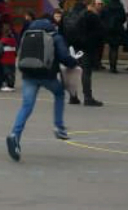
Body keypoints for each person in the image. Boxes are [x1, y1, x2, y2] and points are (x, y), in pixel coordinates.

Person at [5, 13, 79, 162]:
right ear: (52, 23)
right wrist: (74, 63)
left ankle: (14, 135)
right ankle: (59, 127)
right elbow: (64, 56)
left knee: (26, 106)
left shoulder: (28, 33)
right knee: (59, 94)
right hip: (47, 75)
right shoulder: (55, 36)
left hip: (28, 74)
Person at [74, 0, 105, 107]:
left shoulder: (79, 16)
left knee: (79, 70)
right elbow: (100, 32)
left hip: (78, 47)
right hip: (89, 47)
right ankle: (88, 97)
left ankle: (73, 96)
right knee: (86, 72)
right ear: (91, 5)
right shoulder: (92, 17)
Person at [103, 0, 127, 73]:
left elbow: (103, 17)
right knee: (115, 48)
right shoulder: (120, 7)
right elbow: (124, 18)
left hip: (109, 30)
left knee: (111, 47)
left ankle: (111, 66)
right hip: (118, 29)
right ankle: (114, 67)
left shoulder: (107, 6)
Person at [0, 23, 18, 92]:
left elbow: (0, 51)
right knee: (12, 72)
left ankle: (9, 85)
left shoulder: (2, 41)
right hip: (12, 59)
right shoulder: (13, 41)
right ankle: (11, 84)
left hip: (4, 60)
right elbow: (16, 51)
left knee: (6, 72)